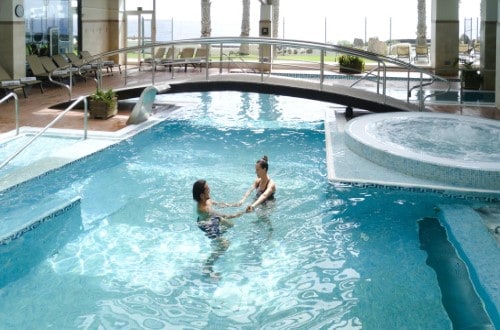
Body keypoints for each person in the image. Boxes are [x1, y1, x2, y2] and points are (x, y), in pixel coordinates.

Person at [192, 179, 245, 278]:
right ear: (202, 195)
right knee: (225, 244)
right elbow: (224, 215)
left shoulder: (206, 200)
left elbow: (219, 204)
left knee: (230, 225)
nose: (210, 189)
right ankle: (207, 266)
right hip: (206, 224)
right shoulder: (204, 209)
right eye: (207, 189)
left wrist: (235, 204)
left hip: (213, 219)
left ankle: (217, 239)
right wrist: (239, 214)